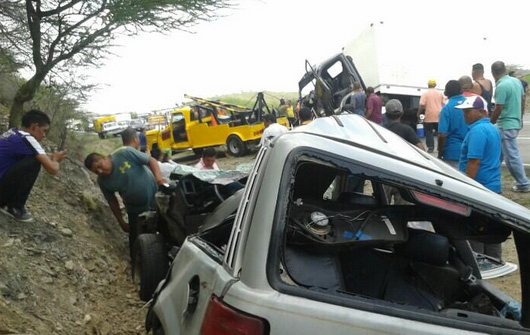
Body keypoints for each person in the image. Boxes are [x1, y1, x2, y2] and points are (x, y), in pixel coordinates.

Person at [84, 146, 165, 256]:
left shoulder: (124, 154)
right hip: (135, 209)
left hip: (154, 198)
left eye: (100, 166)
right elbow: (112, 201)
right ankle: (137, 265)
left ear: (104, 158)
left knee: (165, 228)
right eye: (96, 171)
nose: (100, 171)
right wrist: (121, 222)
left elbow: (151, 160)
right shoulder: (103, 182)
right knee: (136, 240)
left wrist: (159, 179)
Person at [455, 95, 502, 261]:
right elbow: (500, 157)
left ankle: (479, 260)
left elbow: (474, 161)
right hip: (493, 185)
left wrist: (469, 186)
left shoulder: (477, 131)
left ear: (482, 112)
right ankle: (495, 259)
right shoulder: (492, 129)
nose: (465, 115)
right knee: (492, 227)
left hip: (480, 186)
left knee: (475, 228)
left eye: (468, 111)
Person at [0, 110, 67, 222]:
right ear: (35, 127)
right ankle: (15, 207)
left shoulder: (12, 132)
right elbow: (53, 169)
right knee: (34, 162)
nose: (44, 135)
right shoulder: (28, 139)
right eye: (44, 130)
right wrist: (56, 159)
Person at [491, 61, 529, 192]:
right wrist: (520, 116)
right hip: (515, 122)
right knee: (500, 154)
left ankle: (523, 183)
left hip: (506, 124)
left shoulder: (501, 86)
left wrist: (490, 123)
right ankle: (493, 177)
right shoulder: (516, 82)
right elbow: (523, 99)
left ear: (493, 73)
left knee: (511, 156)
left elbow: (498, 108)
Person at [437, 80, 467, 168]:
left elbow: (442, 135)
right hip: (470, 150)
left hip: (452, 153)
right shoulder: (470, 105)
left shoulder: (447, 108)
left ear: (446, 93)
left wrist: (440, 153)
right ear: (461, 91)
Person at [417, 79, 444, 153]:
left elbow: (422, 104)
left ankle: (431, 147)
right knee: (439, 132)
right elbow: (443, 104)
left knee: (429, 132)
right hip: (439, 116)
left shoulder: (425, 94)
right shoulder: (440, 94)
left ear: (428, 85)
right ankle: (440, 147)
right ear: (435, 85)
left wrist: (418, 113)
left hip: (429, 116)